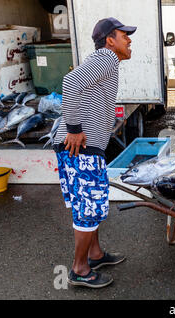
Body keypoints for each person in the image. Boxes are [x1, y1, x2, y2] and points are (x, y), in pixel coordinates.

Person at [53, 17, 136, 288]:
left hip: (83, 147)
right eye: (125, 35)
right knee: (89, 207)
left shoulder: (105, 60)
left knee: (90, 202)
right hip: (80, 146)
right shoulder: (107, 57)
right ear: (110, 40)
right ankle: (78, 269)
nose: (129, 40)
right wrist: (75, 128)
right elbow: (70, 82)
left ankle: (95, 254)